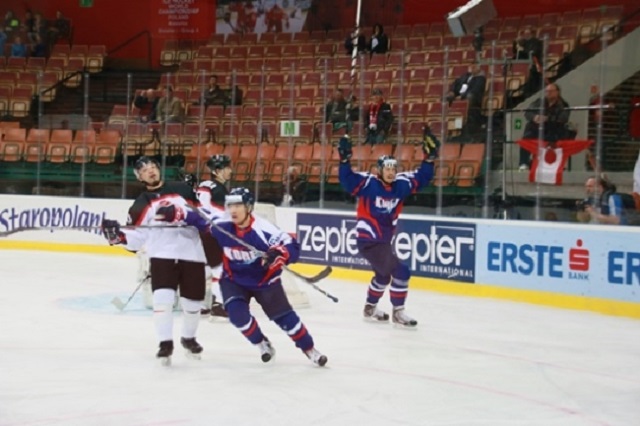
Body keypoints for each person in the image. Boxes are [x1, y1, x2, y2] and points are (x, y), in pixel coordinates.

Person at [156, 187, 328, 366]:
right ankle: (262, 344)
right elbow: (197, 215)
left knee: (287, 320)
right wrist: (174, 211)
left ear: (249, 207)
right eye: (230, 205)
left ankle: (310, 350)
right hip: (234, 280)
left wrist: (280, 253)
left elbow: (291, 245)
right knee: (238, 316)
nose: (233, 210)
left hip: (265, 282)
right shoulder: (221, 224)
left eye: (238, 205)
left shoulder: (263, 230)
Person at [100, 156, 208, 365]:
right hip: (162, 256)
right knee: (162, 301)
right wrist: (118, 237)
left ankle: (189, 338)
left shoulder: (182, 189)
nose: (150, 171)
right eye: (144, 170)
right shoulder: (141, 204)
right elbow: (136, 238)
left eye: (153, 167)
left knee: (193, 303)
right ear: (139, 177)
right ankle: (165, 344)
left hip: (192, 254)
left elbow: (204, 218)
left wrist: (181, 214)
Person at [337, 131, 439, 327]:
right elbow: (347, 179)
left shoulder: (401, 184)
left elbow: (422, 178)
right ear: (379, 170)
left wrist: (430, 159)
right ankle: (398, 312)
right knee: (401, 271)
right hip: (368, 241)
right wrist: (344, 161)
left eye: (394, 168)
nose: (391, 172)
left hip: (383, 241)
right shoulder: (369, 184)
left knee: (383, 276)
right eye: (387, 169)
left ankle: (370, 308)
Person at [195, 154, 233, 319]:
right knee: (220, 269)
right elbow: (220, 216)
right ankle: (218, 305)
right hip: (212, 233)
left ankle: (202, 305)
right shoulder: (218, 189)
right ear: (217, 171)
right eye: (227, 168)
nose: (230, 171)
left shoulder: (203, 184)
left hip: (198, 232)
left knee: (205, 268)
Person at [520, 83, 571, 171]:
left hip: (553, 130)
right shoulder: (540, 102)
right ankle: (524, 163)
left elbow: (563, 118)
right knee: (527, 134)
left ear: (557, 92)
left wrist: (547, 118)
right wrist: (535, 117)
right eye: (547, 91)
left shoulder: (563, 104)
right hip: (538, 129)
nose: (548, 93)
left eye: (551, 91)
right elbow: (528, 112)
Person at [446, 60, 486, 139]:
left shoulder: (480, 79)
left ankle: (461, 125)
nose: (472, 68)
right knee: (446, 98)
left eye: (474, 66)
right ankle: (450, 127)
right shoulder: (465, 76)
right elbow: (456, 83)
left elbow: (475, 90)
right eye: (471, 66)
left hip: (472, 99)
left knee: (469, 97)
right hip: (459, 95)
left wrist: (462, 96)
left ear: (478, 68)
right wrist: (452, 92)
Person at [512, 26, 543, 97]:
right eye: (525, 33)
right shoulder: (523, 42)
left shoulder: (536, 42)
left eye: (527, 33)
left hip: (534, 65)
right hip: (523, 64)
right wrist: (517, 41)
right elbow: (515, 51)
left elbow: (533, 53)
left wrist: (523, 50)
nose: (526, 35)